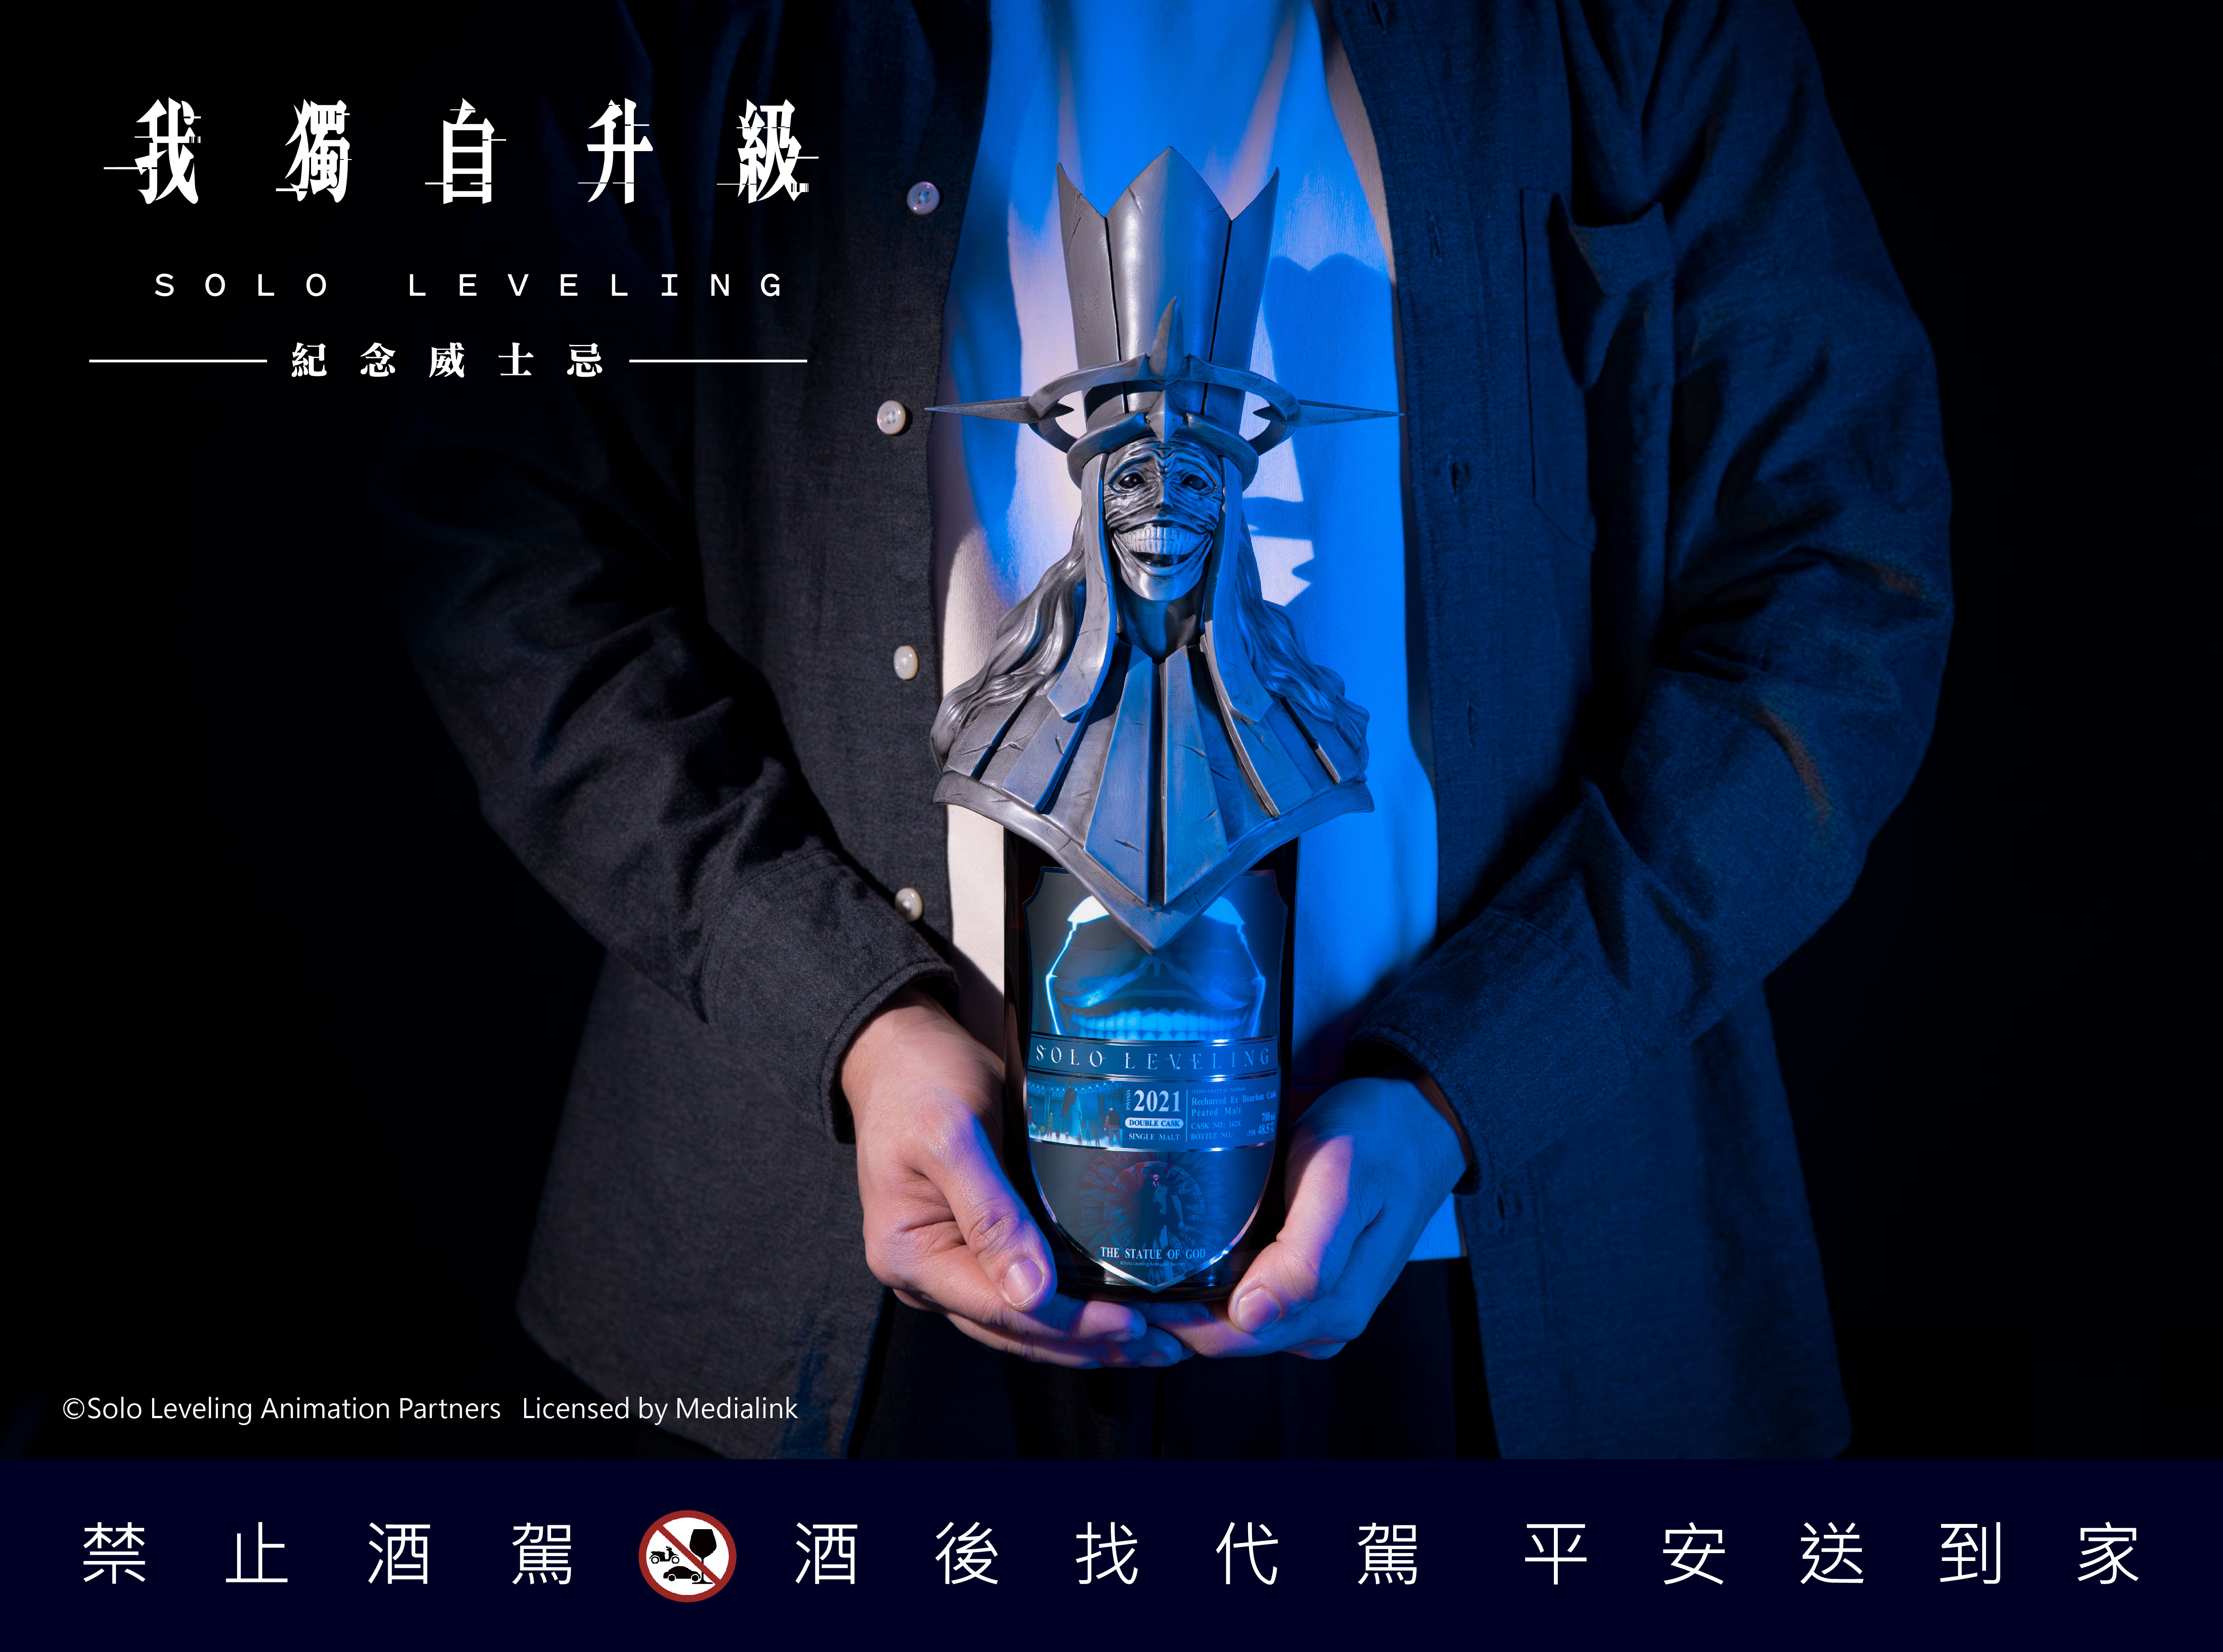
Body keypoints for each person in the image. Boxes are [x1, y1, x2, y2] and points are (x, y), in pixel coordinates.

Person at [380, 0, 1948, 1457]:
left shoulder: (1640, 23)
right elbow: (502, 538)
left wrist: (1479, 1069)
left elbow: (1842, 585)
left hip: (1514, 1272)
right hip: (829, 1269)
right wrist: (839, 1008)